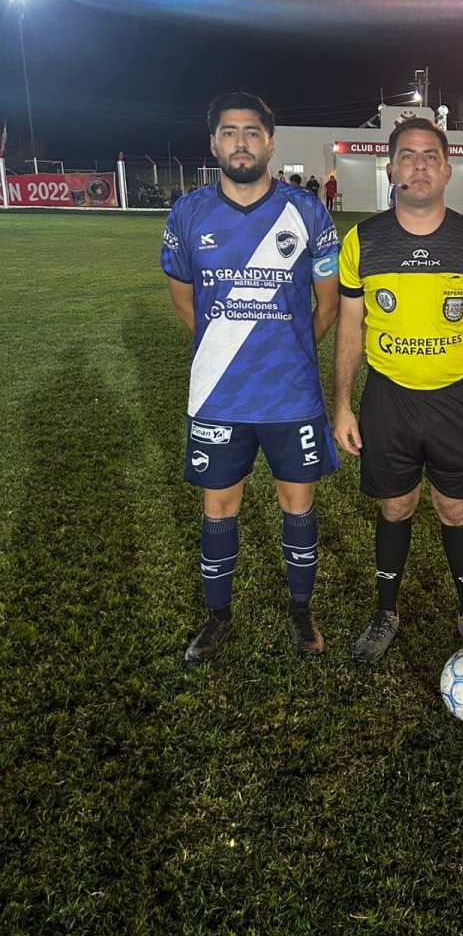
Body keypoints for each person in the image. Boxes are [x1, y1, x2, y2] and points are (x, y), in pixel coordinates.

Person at [160, 92, 340, 667]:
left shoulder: (306, 211)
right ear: (214, 143)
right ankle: (218, 616)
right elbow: (184, 301)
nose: (241, 142)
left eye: (252, 132)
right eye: (229, 132)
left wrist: (288, 350)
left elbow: (328, 305)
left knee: (297, 503)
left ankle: (300, 609)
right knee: (219, 505)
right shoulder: (187, 213)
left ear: (270, 143)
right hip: (219, 393)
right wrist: (226, 348)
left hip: (291, 394)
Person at [333, 117, 463, 664]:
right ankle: (386, 611)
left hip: (457, 398)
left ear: (447, 169)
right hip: (388, 397)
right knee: (397, 503)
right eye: (407, 156)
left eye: (430, 156)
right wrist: (342, 404)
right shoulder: (361, 241)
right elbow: (349, 327)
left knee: (454, 508)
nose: (419, 166)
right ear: (391, 168)